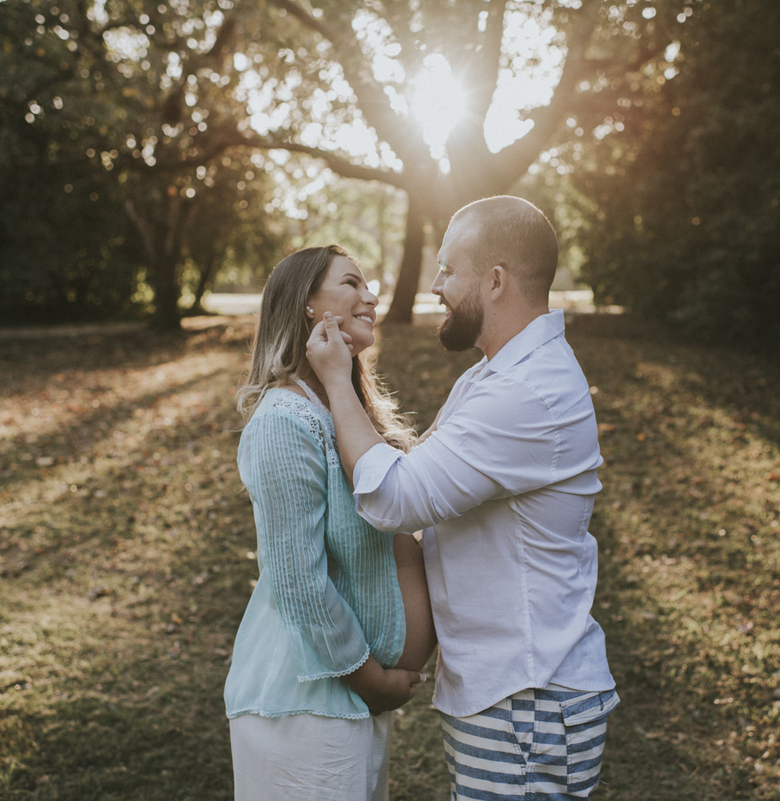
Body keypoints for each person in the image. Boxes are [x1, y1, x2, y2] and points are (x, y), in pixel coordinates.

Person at [306, 196, 619, 800]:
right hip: (509, 695)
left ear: (495, 281)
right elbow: (418, 478)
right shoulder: (492, 376)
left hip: (525, 698)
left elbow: (395, 497)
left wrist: (337, 381)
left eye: (448, 270)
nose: (436, 286)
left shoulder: (527, 392)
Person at [223, 245, 435, 801]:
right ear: (307, 307)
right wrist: (373, 679)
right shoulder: (282, 422)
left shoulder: (339, 413)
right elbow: (299, 584)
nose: (371, 296)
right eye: (351, 283)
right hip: (305, 703)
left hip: (346, 701)